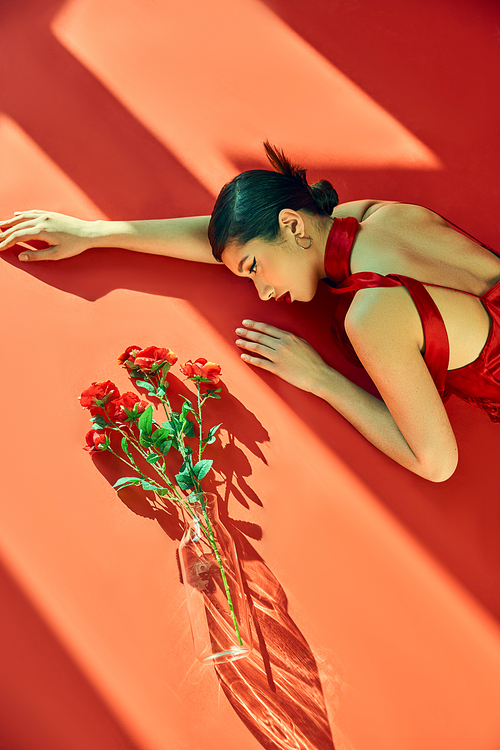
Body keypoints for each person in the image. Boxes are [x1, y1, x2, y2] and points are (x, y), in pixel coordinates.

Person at [1, 143, 499, 482]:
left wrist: (320, 378)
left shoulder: (374, 315)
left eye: (256, 269)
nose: (262, 292)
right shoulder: (381, 218)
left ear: (293, 225)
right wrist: (97, 234)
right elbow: (237, 234)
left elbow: (436, 461)